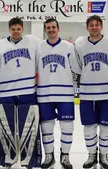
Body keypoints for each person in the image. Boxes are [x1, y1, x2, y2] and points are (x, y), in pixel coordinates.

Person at [73, 15, 108, 169]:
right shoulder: (80, 43)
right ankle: (91, 155)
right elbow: (77, 66)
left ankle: (104, 155)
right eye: (91, 25)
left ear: (101, 26)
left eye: (97, 25)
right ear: (87, 27)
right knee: (89, 126)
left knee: (106, 127)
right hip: (87, 92)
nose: (94, 27)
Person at [0, 17, 42, 169]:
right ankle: (7, 156)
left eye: (18, 29)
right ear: (9, 30)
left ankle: (30, 158)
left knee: (29, 125)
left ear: (22, 29)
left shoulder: (33, 41)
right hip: (5, 90)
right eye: (13, 29)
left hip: (27, 89)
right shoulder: (0, 44)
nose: (15, 32)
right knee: (4, 125)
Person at [37, 18, 79, 169]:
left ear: (58, 28)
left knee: (67, 127)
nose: (51, 30)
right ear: (45, 29)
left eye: (53, 27)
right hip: (44, 93)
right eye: (48, 28)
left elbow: (77, 69)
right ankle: (49, 155)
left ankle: (65, 155)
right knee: (46, 127)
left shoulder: (69, 47)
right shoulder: (39, 46)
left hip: (65, 93)